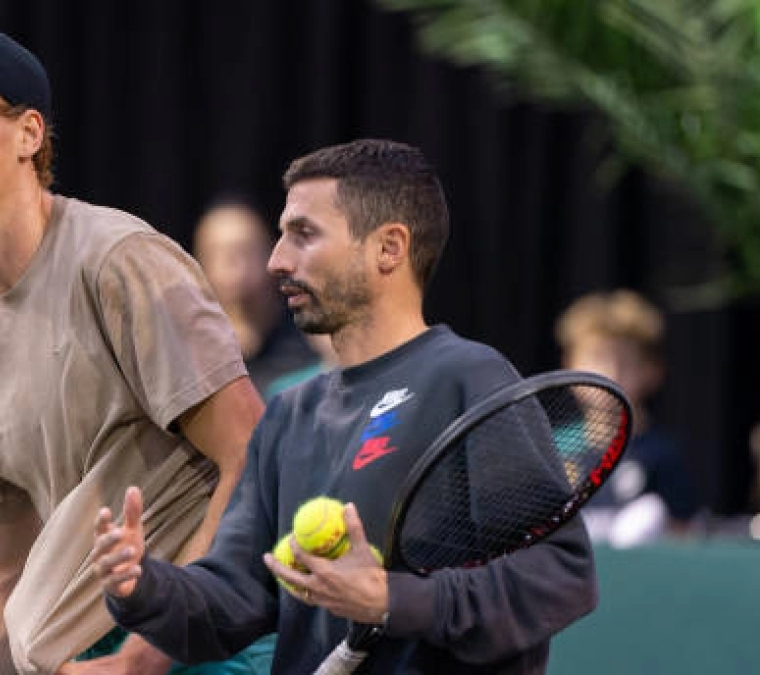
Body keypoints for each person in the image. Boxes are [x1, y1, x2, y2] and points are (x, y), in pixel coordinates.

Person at [90, 139, 597, 673]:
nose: (276, 261)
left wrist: (391, 600)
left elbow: (559, 577)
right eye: (282, 235)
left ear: (389, 248)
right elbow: (232, 598)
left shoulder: (468, 378)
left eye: (304, 235)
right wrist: (143, 585)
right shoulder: (287, 413)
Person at [0, 29, 267, 674]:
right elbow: (0, 574)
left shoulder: (118, 261)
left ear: (28, 135)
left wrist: (147, 656)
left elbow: (250, 454)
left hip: (210, 643)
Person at [556, 289, 699, 545]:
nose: (610, 373)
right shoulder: (553, 451)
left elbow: (684, 537)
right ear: (569, 366)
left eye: (625, 363)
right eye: (597, 359)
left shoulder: (663, 455)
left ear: (652, 371)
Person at [193, 200, 319, 394]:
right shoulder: (187, 360)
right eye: (218, 253)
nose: (233, 264)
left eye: (245, 251)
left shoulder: (310, 340)